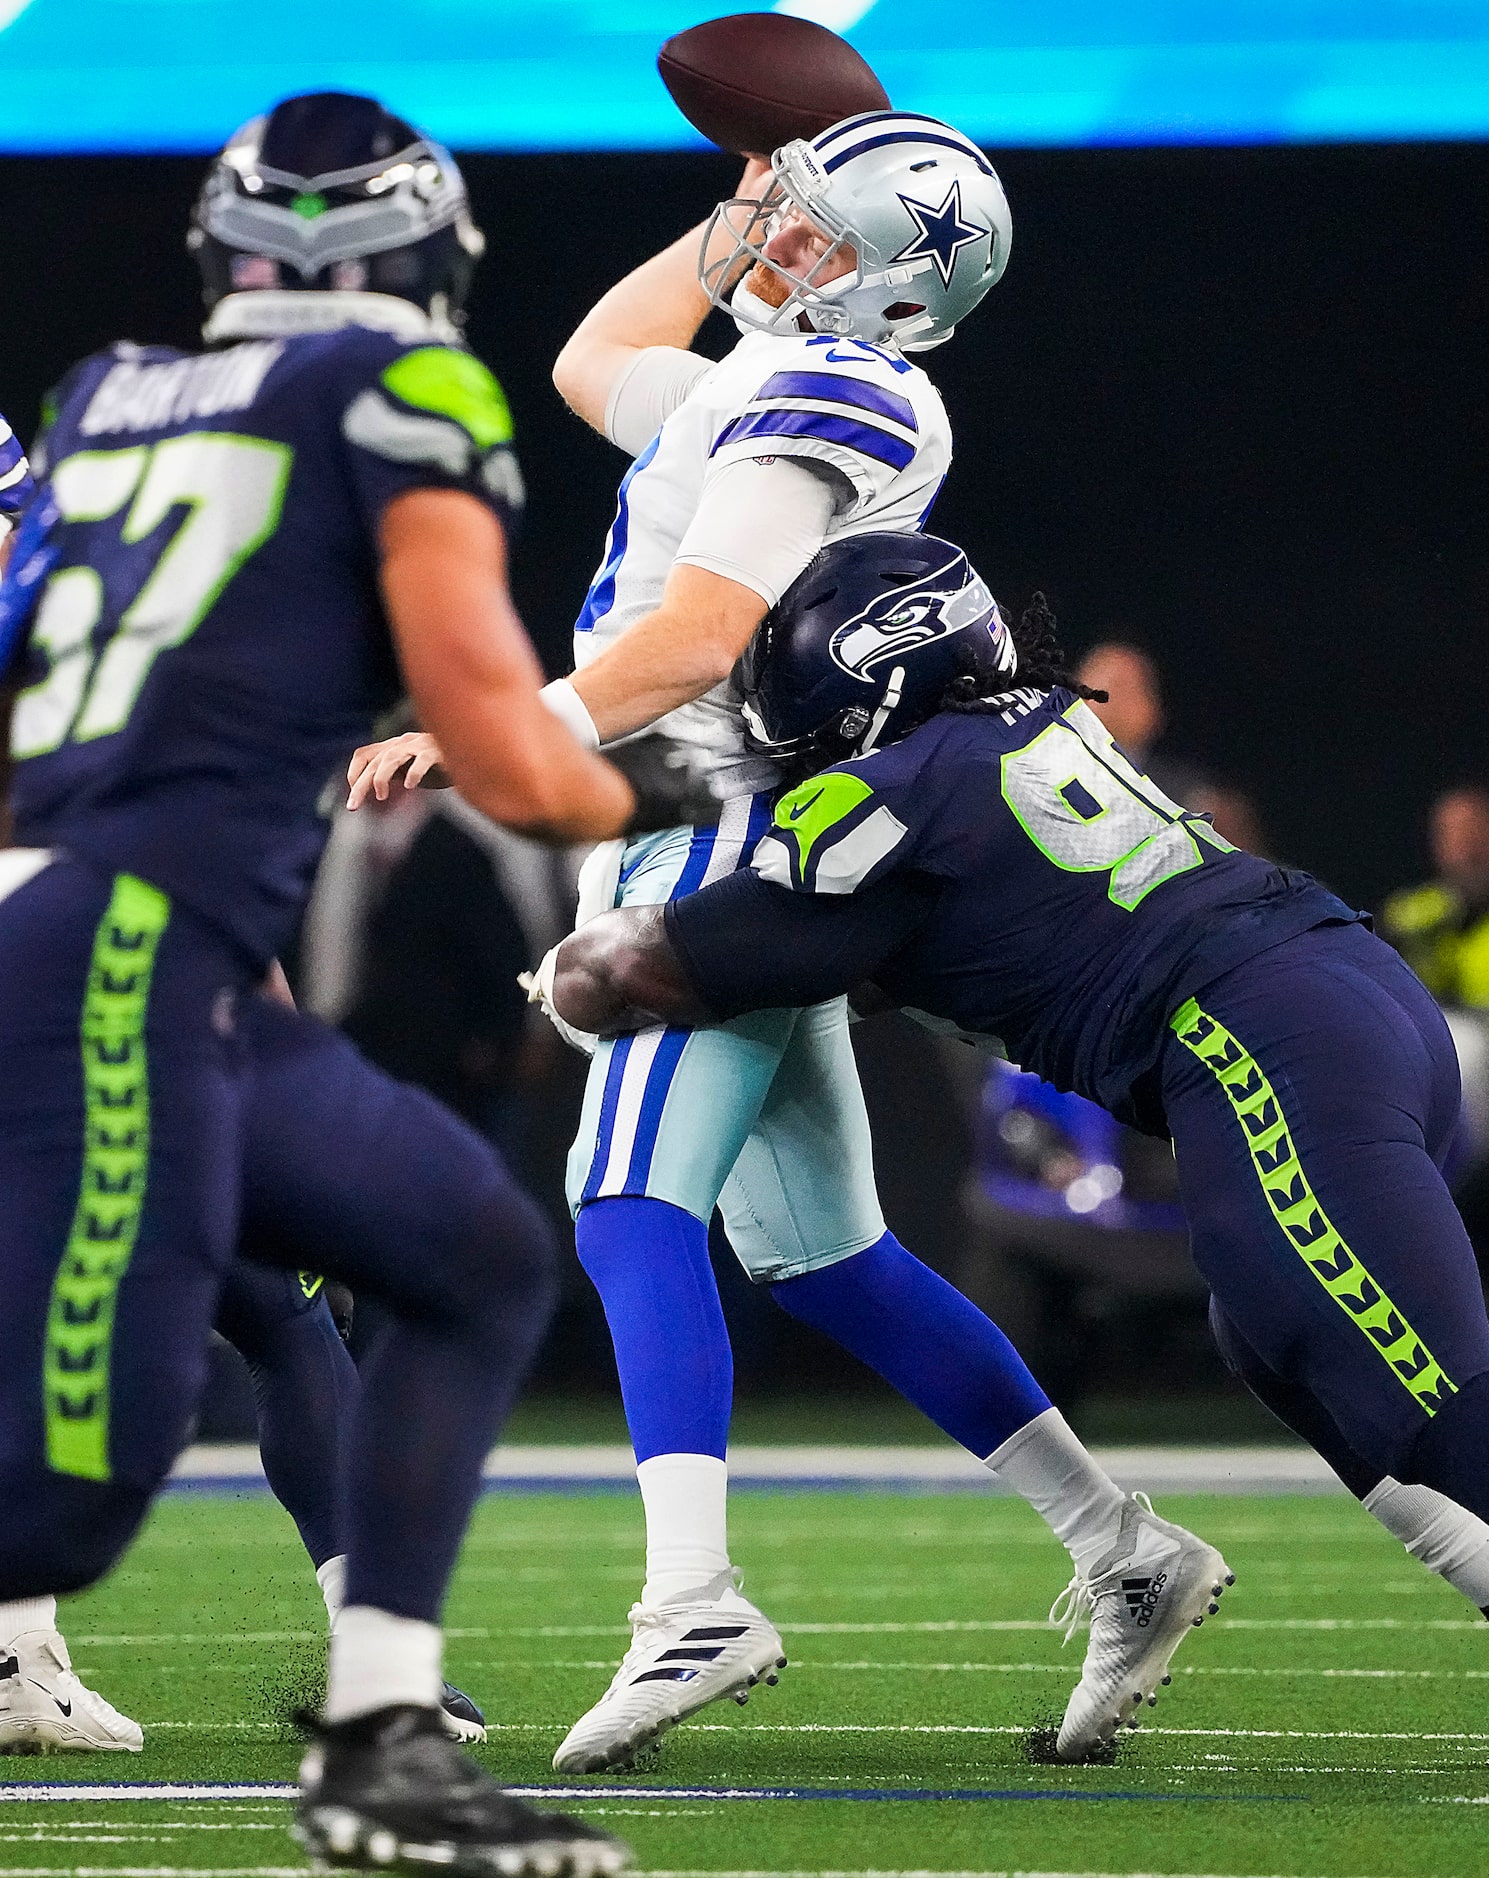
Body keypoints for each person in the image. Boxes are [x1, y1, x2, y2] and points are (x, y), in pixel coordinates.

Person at [352, 110, 1230, 1770]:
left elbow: (693, 637)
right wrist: (734, 207)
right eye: (793, 223)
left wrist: (497, 734)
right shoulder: (761, 367)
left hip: (710, 824)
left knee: (623, 1197)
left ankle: (690, 1597)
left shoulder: (844, 393)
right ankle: (1118, 1542)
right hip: (722, 822)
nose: (785, 249)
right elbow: (595, 353)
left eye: (824, 238)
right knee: (820, 1251)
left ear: (902, 293)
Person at [0, 89, 716, 1871]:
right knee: (57, 1499)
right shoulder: (407, 392)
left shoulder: (100, 392)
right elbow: (506, 743)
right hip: (122, 947)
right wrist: (665, 780)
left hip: (145, 939)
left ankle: (379, 1735)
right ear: (426, 259)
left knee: (468, 1255)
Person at [538, 532, 1489, 1718]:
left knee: (1423, 1390)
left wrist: (582, 939)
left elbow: (641, 973)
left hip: (1253, 1041)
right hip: (1344, 996)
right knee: (1273, 1332)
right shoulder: (1035, 719)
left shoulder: (885, 801)